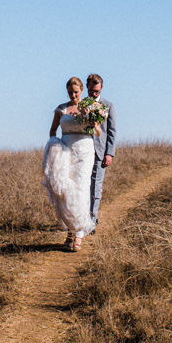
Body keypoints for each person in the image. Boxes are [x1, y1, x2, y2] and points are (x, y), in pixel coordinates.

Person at [42, 76, 99, 251]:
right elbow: (52, 130)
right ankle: (69, 232)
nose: (73, 95)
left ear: (81, 91)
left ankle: (80, 233)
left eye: (76, 92)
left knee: (81, 189)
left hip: (84, 151)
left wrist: (88, 119)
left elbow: (97, 131)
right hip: (65, 153)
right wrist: (55, 146)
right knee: (66, 191)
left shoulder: (91, 107)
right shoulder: (61, 109)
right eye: (70, 92)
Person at [86, 73, 116, 233]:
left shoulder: (108, 105)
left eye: (96, 91)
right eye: (91, 91)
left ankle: (92, 220)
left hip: (100, 152)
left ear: (101, 89)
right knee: (84, 187)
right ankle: (84, 217)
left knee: (96, 187)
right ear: (87, 88)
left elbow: (112, 131)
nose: (94, 94)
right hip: (83, 151)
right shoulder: (81, 104)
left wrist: (109, 153)